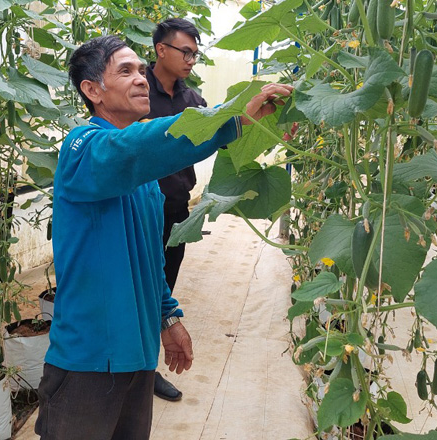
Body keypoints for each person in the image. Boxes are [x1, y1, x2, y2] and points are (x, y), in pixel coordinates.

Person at [35, 34, 292, 440]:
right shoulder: (83, 149)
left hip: (138, 359)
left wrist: (168, 317)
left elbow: (148, 256)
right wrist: (231, 117)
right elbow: (137, 147)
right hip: (87, 361)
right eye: (125, 71)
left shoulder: (142, 176)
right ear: (91, 90)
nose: (141, 79)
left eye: (141, 69)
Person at [143, 18, 206, 401]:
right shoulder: (135, 90)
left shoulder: (192, 99)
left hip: (175, 208)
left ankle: (146, 370)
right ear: (161, 50)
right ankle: (130, 367)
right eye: (186, 51)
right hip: (136, 207)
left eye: (196, 54)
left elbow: (218, 134)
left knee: (164, 284)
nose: (191, 60)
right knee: (137, 285)